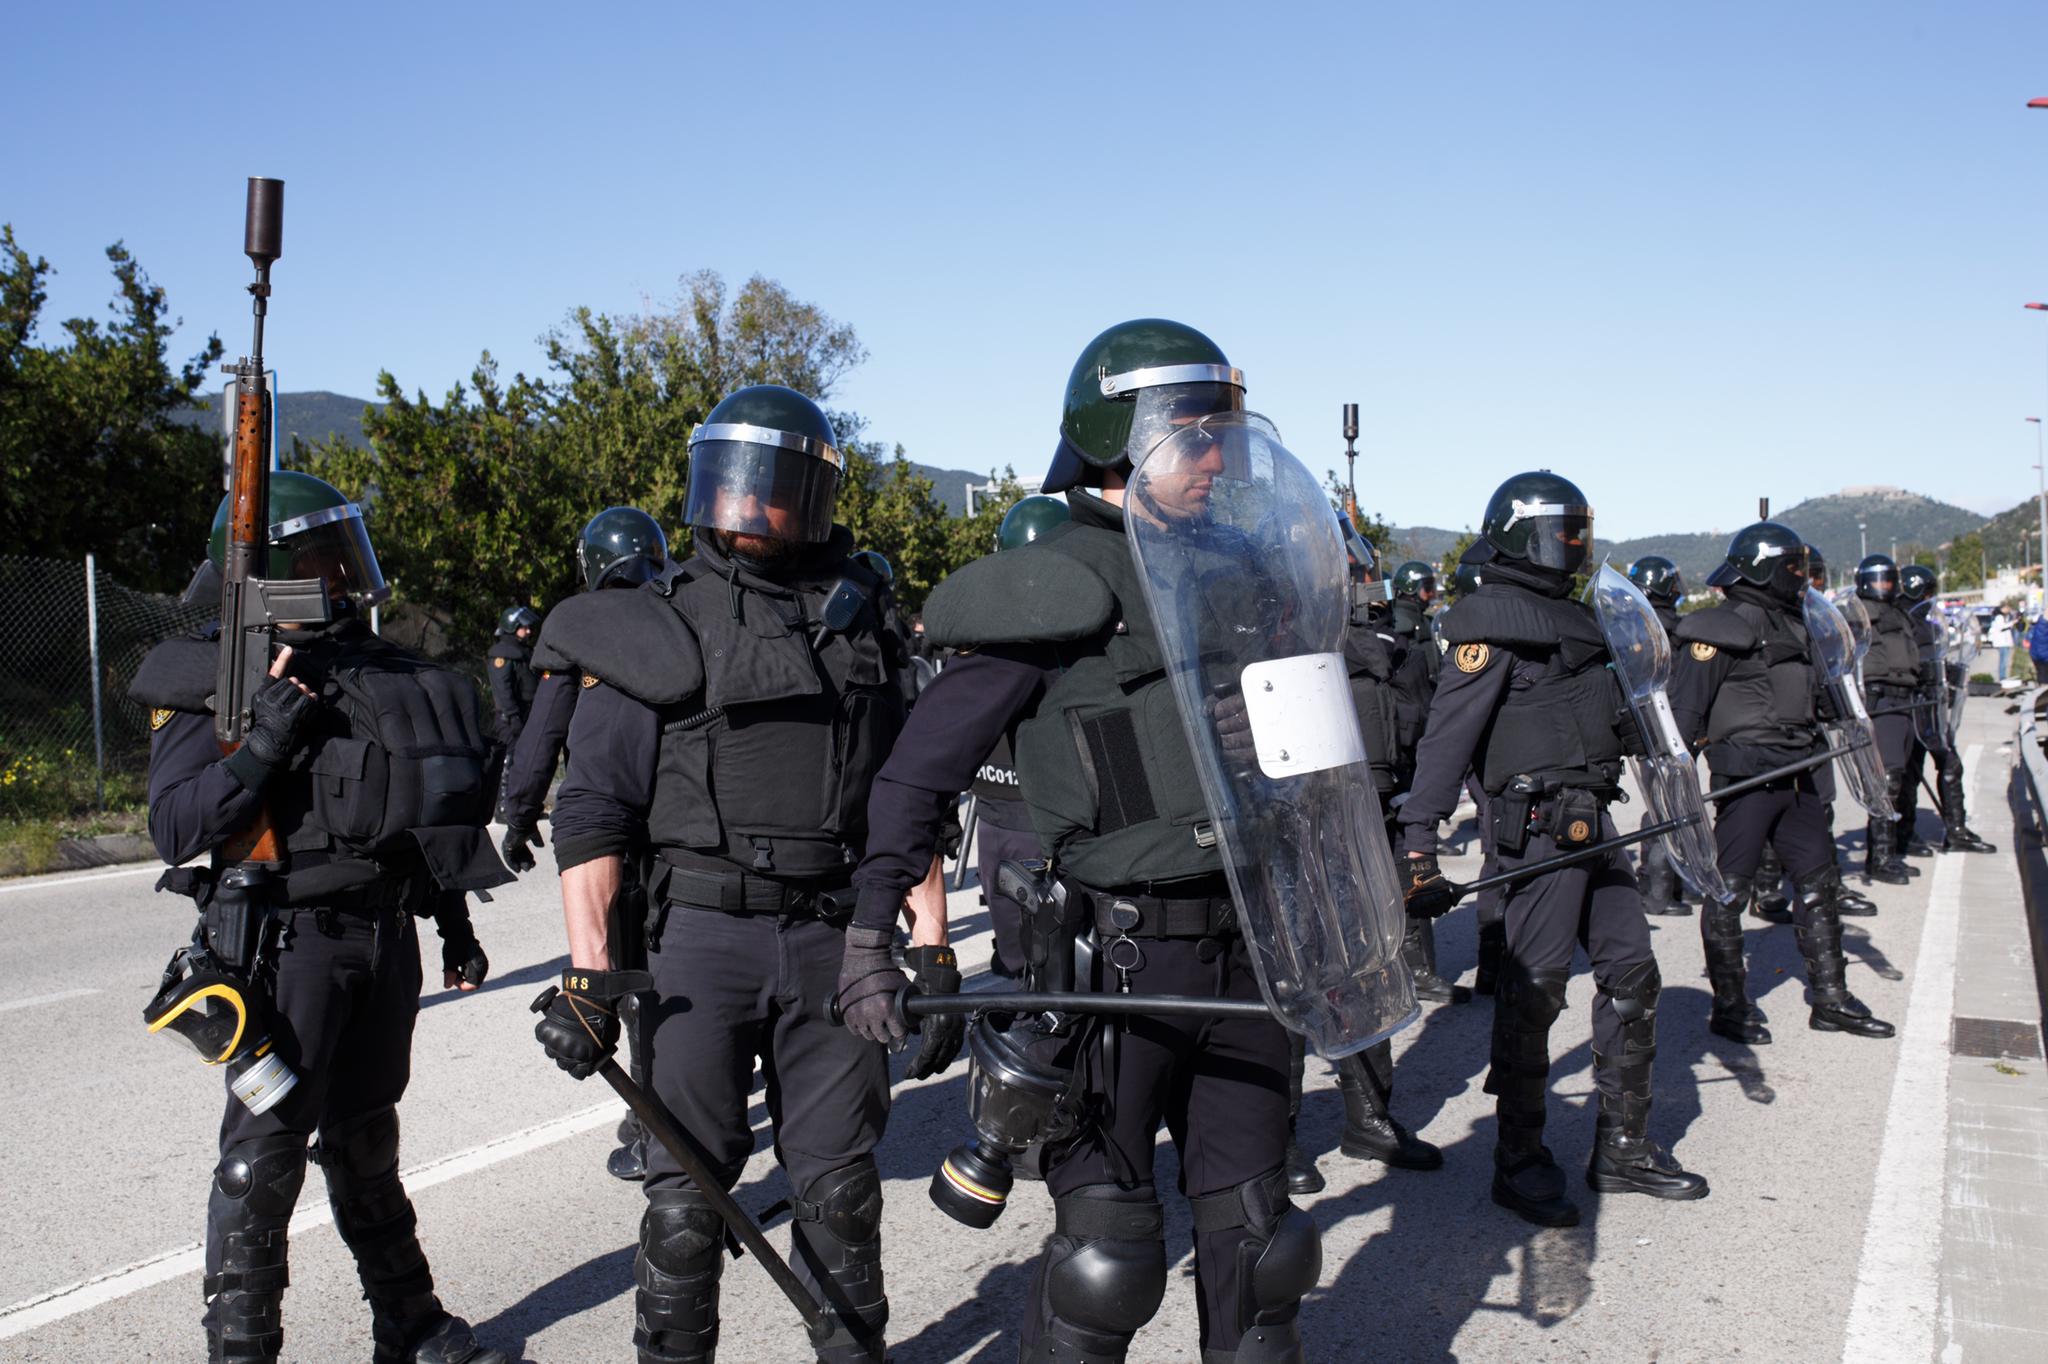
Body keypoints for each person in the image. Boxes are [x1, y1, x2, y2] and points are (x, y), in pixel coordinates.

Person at [841, 320, 1321, 1363]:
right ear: (1119, 440)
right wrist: (869, 937)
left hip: (1244, 957)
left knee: (1262, 1249)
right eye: (1189, 436)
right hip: (1109, 967)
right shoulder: (1052, 578)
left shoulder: (1235, 574)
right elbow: (916, 772)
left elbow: (1308, 770)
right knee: (1107, 1265)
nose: (1213, 460)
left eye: (1220, 437)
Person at [531, 385, 947, 1364]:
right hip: (702, 942)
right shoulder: (651, 623)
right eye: (736, 482)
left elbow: (908, 796)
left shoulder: (861, 627)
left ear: (812, 492)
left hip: (835, 939)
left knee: (839, 1197)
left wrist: (928, 944)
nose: (752, 506)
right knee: (683, 1206)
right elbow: (591, 808)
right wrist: (590, 975)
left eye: (776, 486)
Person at [131, 470, 509, 1364]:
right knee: (262, 1164)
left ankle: (411, 1328)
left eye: (343, 558)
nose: (337, 581)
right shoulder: (217, 674)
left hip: (384, 936)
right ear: (262, 573)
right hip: (286, 947)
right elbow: (175, 826)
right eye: (313, 564)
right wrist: (261, 747)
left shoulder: (378, 675)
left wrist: (452, 920)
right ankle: (242, 1350)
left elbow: (419, 815)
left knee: (367, 1140)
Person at [1400, 472, 1707, 1228]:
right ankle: (1520, 1159)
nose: (1571, 543)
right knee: (1533, 993)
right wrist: (1419, 850)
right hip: (1534, 830)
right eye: (1558, 530)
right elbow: (1445, 744)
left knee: (1633, 975)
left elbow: (1620, 715)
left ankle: (1623, 1148)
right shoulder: (1492, 624)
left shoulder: (1580, 618)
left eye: (1579, 529)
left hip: (1597, 824)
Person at [1669, 522, 1895, 1045]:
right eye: (1791, 565)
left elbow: (1822, 697)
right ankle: (1729, 1005)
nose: (1800, 574)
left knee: (1819, 885)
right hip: (1747, 779)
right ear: (1764, 567)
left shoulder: (1802, 623)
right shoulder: (1716, 628)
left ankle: (1831, 998)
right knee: (1728, 891)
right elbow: (1684, 712)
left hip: (1799, 775)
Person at [501, 505, 668, 1182]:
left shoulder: (576, 623)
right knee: (670, 965)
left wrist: (518, 813)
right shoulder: (684, 613)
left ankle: (648, 1115)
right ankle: (661, 1106)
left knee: (612, 974)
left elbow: (542, 734)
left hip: (601, 813)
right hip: (682, 811)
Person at [1284, 514, 1444, 1197]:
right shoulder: (1265, 639)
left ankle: (1370, 1113)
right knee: (1286, 982)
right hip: (1285, 826)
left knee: (1368, 965)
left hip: (1361, 813)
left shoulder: (1379, 648)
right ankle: (1273, 1136)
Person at [968, 495, 1070, 979]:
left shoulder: (982, 638)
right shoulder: (1089, 638)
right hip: (1012, 816)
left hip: (1011, 820)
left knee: (1024, 966)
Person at [1900, 565, 1995, 854]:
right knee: (1935, 767)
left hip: (1920, 705)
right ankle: (1947, 831)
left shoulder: (1901, 622)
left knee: (1911, 771)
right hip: (1918, 706)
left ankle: (1909, 832)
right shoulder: (1908, 626)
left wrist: (1950, 673)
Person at [1626, 555, 1691, 916]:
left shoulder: (1633, 627)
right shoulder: (1670, 628)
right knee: (1669, 809)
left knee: (1660, 806)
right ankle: (1659, 892)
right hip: (1668, 729)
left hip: (1645, 729)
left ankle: (1658, 882)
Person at [1853, 554, 1920, 882]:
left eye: (1889, 579)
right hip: (1878, 701)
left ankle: (1892, 849)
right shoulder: (1856, 613)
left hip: (1904, 700)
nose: (1885, 586)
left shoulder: (1900, 612)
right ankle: (1879, 857)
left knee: (1901, 778)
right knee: (1887, 780)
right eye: (1879, 579)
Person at [484, 604, 541, 811]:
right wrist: (512, 715)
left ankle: (519, 804)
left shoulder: (521, 652)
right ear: (512, 627)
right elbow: (503, 689)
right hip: (509, 717)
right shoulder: (503, 655)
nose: (528, 631)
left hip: (524, 714)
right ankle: (503, 806)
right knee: (509, 759)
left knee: (524, 760)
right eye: (523, 627)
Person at [1988, 607, 2015, 680]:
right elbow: (2002, 627)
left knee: (2003, 660)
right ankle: (2002, 677)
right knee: (2003, 661)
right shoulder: (1999, 617)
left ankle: (2003, 676)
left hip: (2003, 642)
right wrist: (2012, 623)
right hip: (2002, 643)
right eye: (2004, 608)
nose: (2007, 609)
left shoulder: (2000, 617)